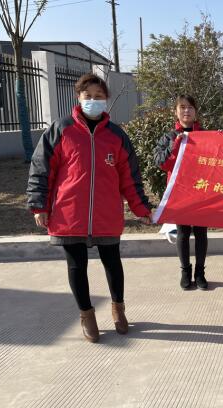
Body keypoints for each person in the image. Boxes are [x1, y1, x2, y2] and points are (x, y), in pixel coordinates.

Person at [26, 73, 152, 343]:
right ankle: (86, 315)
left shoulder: (116, 135)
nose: (93, 100)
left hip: (106, 213)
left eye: (99, 96)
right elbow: (41, 169)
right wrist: (39, 205)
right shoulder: (61, 130)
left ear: (106, 100)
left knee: (112, 262)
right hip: (69, 212)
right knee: (76, 265)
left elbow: (130, 177)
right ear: (78, 98)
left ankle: (118, 309)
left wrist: (141, 208)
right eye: (88, 96)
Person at [154, 95, 209, 291]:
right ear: (176, 111)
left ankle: (200, 273)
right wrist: (174, 145)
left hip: (201, 191)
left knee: (201, 233)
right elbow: (162, 163)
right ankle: (185, 271)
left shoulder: (206, 135)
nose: (186, 111)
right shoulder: (169, 136)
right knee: (183, 233)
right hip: (179, 192)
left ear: (196, 112)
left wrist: (221, 139)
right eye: (182, 107)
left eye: (190, 107)